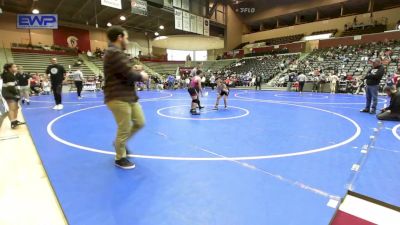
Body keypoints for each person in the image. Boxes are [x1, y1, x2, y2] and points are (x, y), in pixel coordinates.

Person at [103, 26, 149, 169]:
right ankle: (120, 157)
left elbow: (124, 72)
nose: (127, 41)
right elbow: (129, 75)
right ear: (120, 37)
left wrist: (133, 71)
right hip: (117, 96)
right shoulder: (113, 52)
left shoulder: (118, 53)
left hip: (129, 96)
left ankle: (119, 144)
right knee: (125, 127)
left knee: (140, 122)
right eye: (126, 37)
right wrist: (142, 75)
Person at [1, 63, 25, 129]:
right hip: (9, 93)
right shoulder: (8, 75)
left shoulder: (12, 75)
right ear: (10, 68)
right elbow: (10, 87)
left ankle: (15, 120)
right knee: (12, 108)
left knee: (16, 107)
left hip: (11, 93)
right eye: (14, 67)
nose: (16, 68)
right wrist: (17, 94)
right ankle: (13, 122)